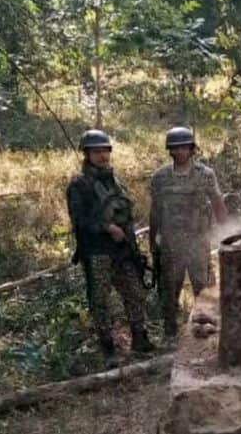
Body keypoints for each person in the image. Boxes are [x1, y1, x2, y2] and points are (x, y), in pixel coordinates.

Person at [66, 129, 154, 365]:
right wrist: (106, 227)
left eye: (105, 150)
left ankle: (140, 339)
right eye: (97, 152)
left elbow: (126, 217)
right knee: (100, 301)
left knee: (135, 294)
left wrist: (133, 248)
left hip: (123, 251)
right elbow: (80, 221)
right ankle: (108, 349)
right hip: (97, 253)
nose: (102, 156)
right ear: (87, 154)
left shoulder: (116, 182)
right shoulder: (79, 186)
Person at [149, 126, 228, 340]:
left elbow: (218, 203)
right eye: (175, 148)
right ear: (169, 150)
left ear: (192, 149)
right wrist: (153, 241)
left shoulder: (205, 175)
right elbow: (155, 210)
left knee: (203, 290)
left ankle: (208, 332)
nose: (180, 151)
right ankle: (170, 334)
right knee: (169, 292)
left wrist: (227, 233)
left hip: (198, 243)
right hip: (171, 245)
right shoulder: (160, 177)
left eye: (184, 147)